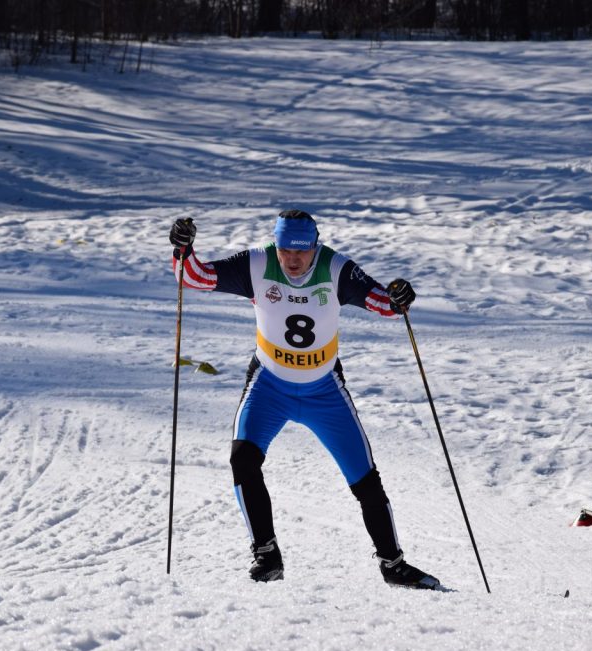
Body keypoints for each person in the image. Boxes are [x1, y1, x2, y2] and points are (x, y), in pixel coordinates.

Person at [170, 210, 440, 590]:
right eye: (285, 250)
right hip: (269, 385)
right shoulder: (257, 264)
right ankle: (267, 555)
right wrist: (183, 249)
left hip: (324, 390)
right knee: (242, 459)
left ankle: (392, 564)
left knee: (364, 478)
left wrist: (399, 297)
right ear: (276, 244)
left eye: (301, 251)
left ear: (315, 246)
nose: (293, 260)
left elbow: (382, 301)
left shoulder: (335, 268)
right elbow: (194, 277)